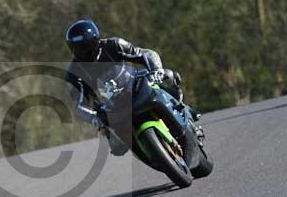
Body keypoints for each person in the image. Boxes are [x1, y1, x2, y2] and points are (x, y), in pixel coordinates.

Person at [63, 18, 193, 154]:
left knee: (168, 77)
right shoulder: (73, 73)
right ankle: (147, 150)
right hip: (110, 105)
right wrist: (94, 118)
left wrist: (157, 71)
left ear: (95, 40)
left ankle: (182, 108)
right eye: (78, 48)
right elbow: (78, 104)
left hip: (134, 85)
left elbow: (146, 54)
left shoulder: (114, 45)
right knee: (117, 148)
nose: (84, 51)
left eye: (87, 45)